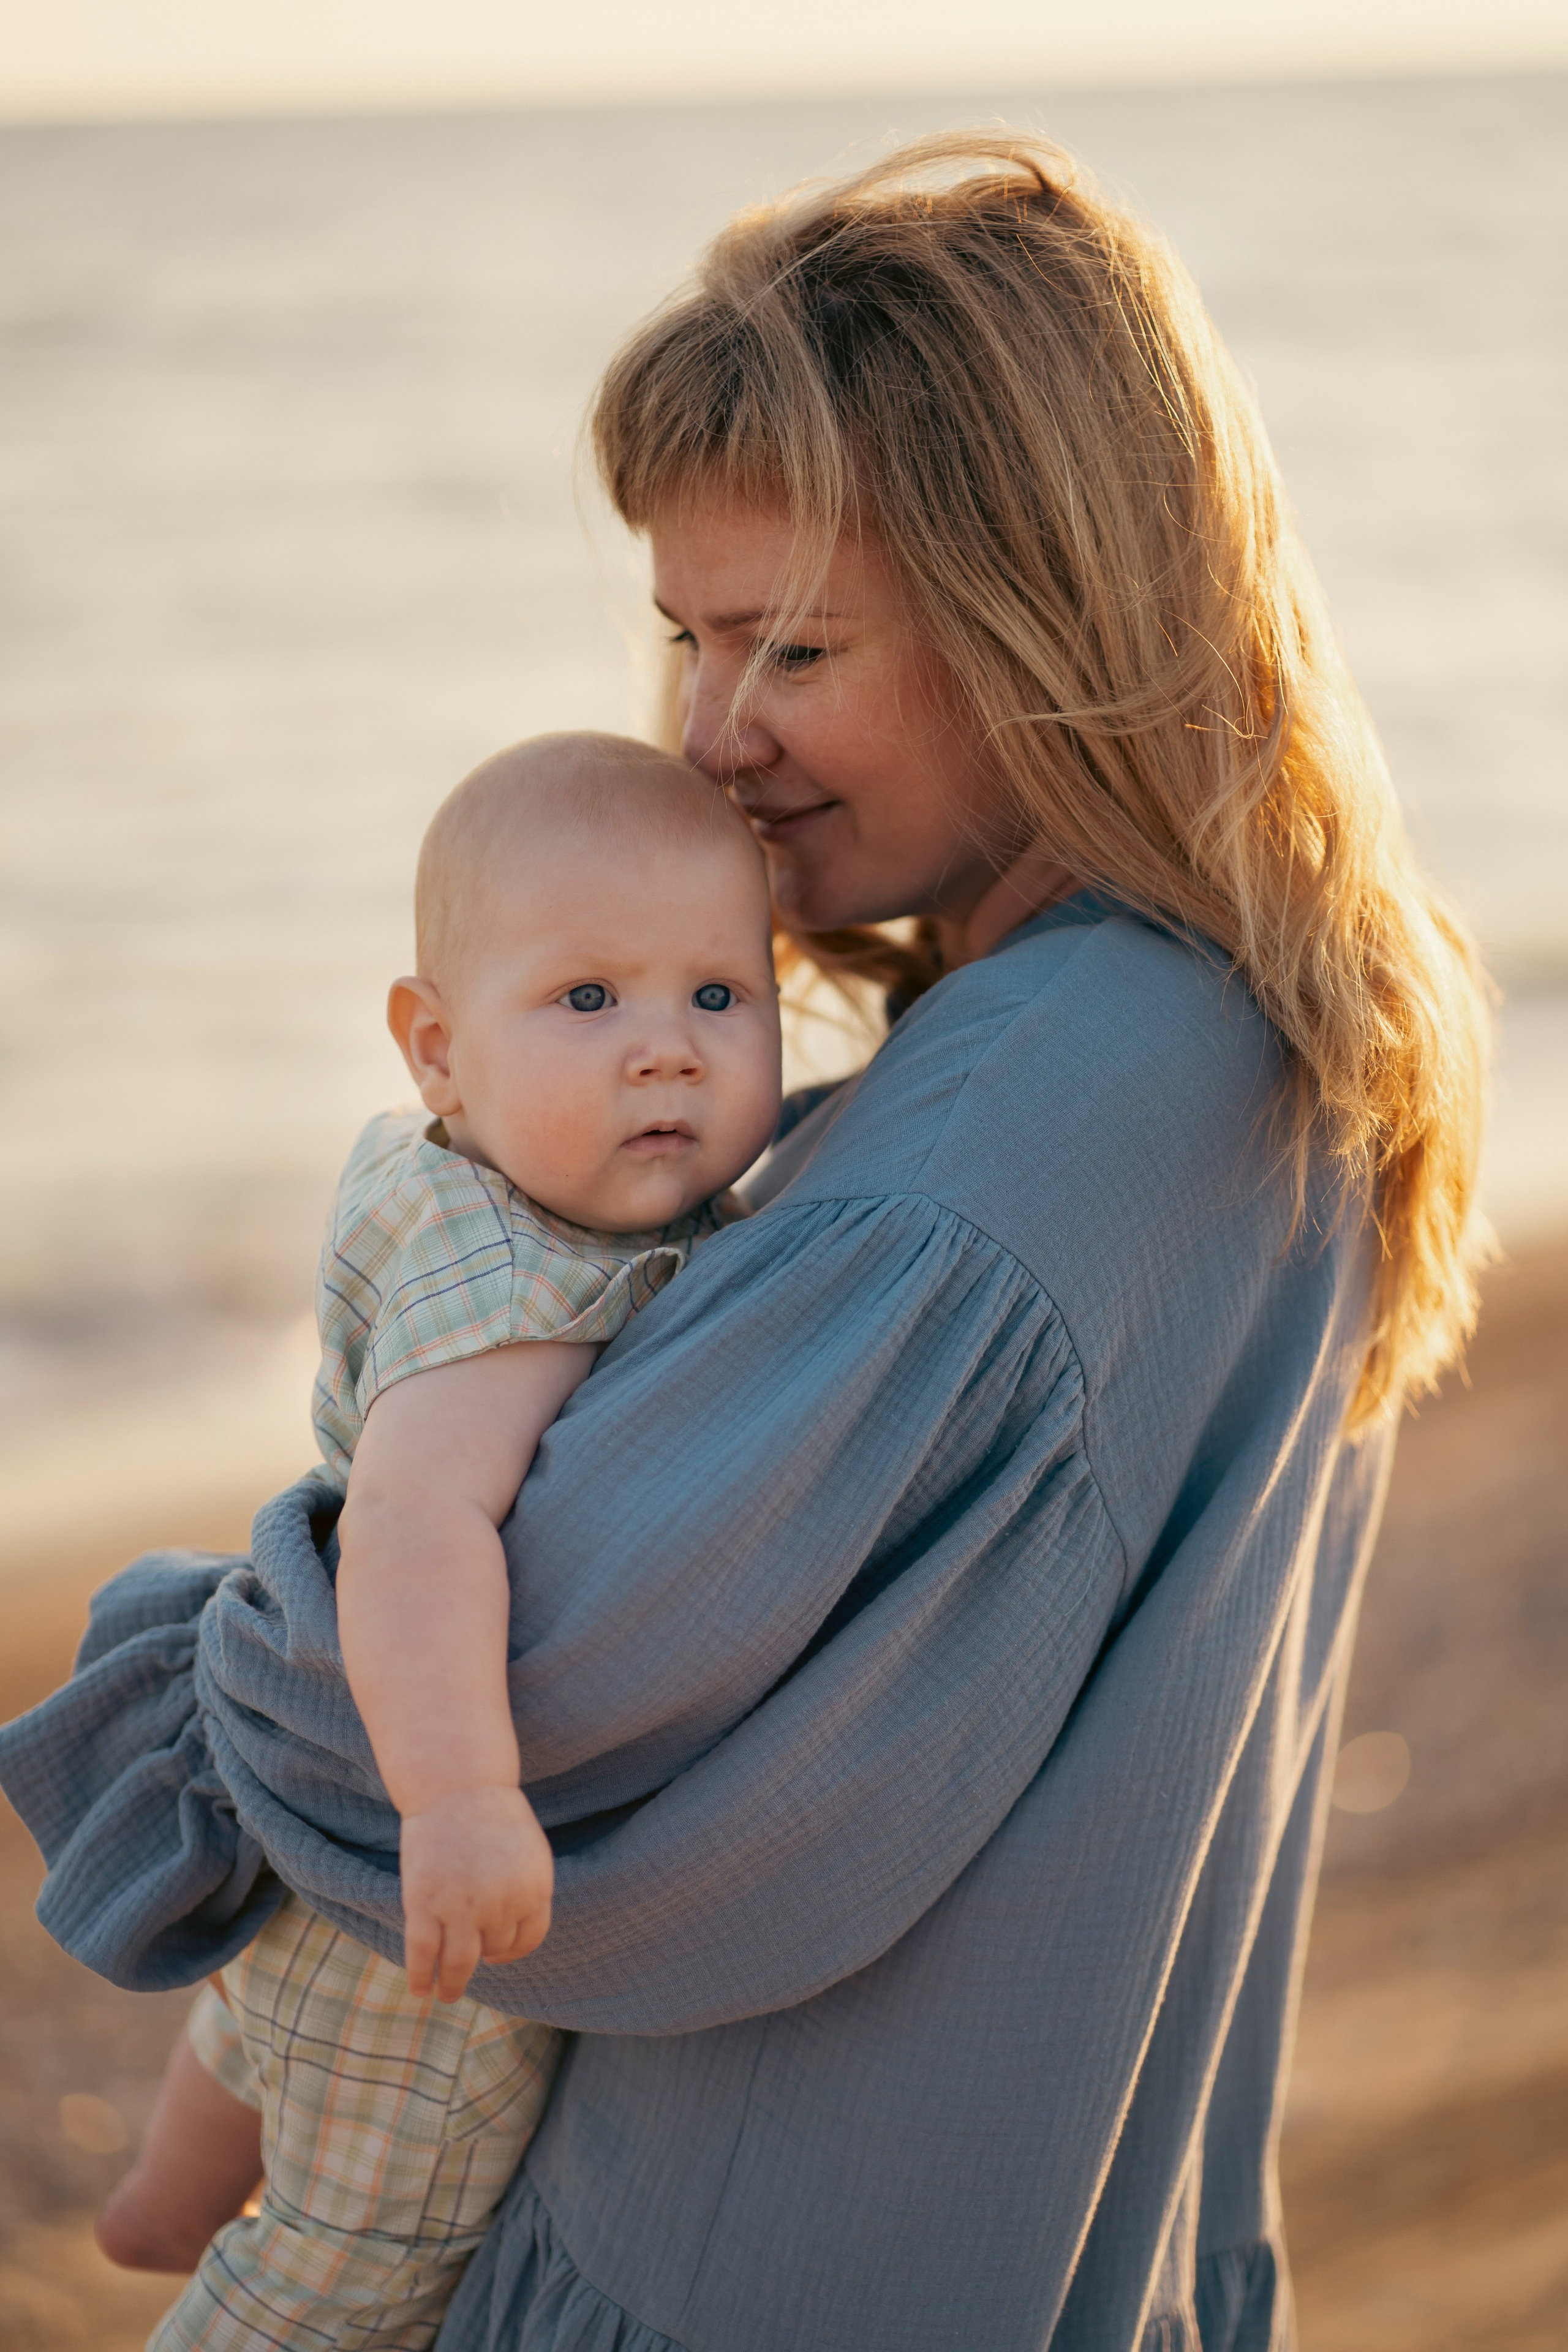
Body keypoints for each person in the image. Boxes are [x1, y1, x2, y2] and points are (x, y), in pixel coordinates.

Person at [0, 131, 1488, 2350]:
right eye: (691, 638)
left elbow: (538, 1701)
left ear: (1051, 610)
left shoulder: (1009, 1140)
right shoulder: (1229, 1026)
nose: (712, 735)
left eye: (796, 644)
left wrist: (220, 1671)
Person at [6, 734, 782, 2348]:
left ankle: (162, 2197)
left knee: (254, 2025)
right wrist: (466, 1802)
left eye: (719, 996)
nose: (666, 1055)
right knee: (359, 2246)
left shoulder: (459, 1170)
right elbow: (416, 1532)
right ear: (436, 1048)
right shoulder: (517, 1294)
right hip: (406, 1851)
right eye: (588, 1001)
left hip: (311, 1825)